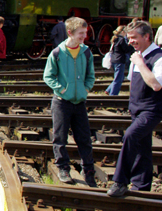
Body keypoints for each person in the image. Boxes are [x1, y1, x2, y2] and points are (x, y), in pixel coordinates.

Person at [107, 21, 162, 197]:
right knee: (142, 146)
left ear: (147, 36)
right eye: (129, 38)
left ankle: (120, 181)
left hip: (152, 109)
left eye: (134, 38)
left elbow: (156, 84)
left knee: (131, 136)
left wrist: (140, 63)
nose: (130, 41)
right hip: (137, 108)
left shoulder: (158, 57)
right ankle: (142, 185)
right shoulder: (137, 56)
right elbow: (133, 83)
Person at [43, 16, 96, 187]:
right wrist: (62, 90)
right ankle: (63, 168)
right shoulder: (57, 53)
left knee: (84, 138)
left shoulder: (86, 52)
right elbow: (48, 76)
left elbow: (91, 75)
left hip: (79, 102)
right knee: (60, 137)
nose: (84, 37)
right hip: (61, 102)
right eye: (81, 33)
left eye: (85, 33)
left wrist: (85, 89)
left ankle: (88, 171)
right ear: (70, 33)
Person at [105, 25, 134, 96]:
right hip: (120, 60)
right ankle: (113, 95)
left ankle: (108, 90)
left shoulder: (115, 39)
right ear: (123, 32)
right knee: (119, 79)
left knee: (117, 77)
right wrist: (131, 46)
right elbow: (126, 49)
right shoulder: (121, 40)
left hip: (114, 60)